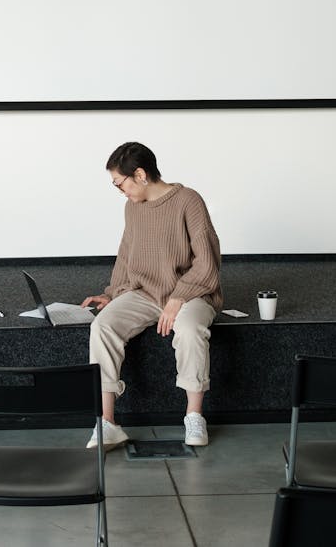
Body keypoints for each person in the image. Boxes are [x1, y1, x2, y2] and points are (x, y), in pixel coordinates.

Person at [81, 141, 222, 450]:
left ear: (141, 174)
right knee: (102, 325)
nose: (121, 191)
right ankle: (107, 423)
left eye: (120, 183)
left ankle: (194, 415)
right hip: (145, 293)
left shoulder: (188, 201)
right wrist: (112, 295)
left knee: (189, 328)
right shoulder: (133, 207)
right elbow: (126, 255)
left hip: (192, 294)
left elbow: (207, 264)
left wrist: (179, 297)